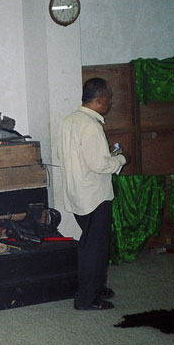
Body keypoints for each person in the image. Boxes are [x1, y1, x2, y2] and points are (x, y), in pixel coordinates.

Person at [57, 77, 128, 311]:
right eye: (108, 98)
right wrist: (119, 159)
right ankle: (87, 298)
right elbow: (99, 165)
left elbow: (72, 156)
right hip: (94, 196)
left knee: (90, 245)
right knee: (94, 250)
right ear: (99, 100)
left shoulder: (69, 121)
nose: (109, 102)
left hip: (78, 193)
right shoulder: (91, 125)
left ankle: (95, 287)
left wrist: (105, 155)